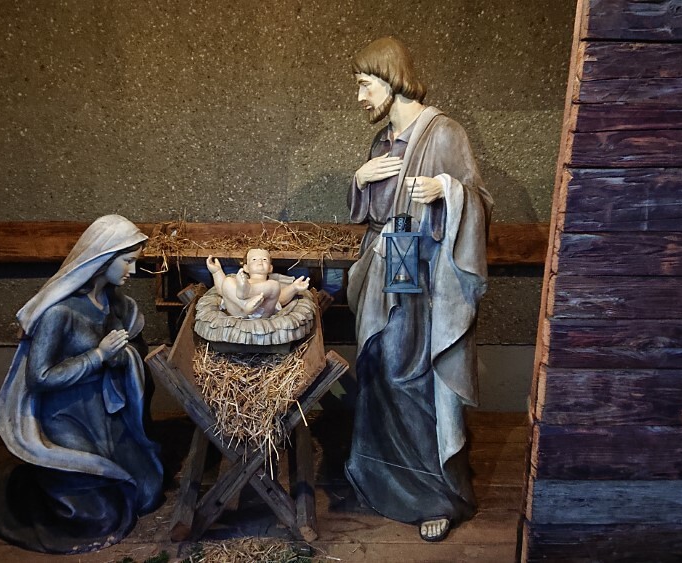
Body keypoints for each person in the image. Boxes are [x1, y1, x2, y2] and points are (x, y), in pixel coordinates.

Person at [343, 37, 494, 543]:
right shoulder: (381, 142)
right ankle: (382, 477)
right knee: (377, 371)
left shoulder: (444, 133)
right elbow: (369, 215)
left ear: (390, 79)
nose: (360, 97)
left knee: (414, 377)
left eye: (365, 84)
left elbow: (479, 201)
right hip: (383, 275)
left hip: (426, 284)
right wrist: (360, 179)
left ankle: (433, 495)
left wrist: (445, 191)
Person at [0, 215, 164, 554]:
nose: (132, 270)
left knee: (147, 492)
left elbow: (130, 352)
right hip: (66, 417)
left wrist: (124, 357)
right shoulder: (59, 313)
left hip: (103, 415)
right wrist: (98, 356)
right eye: (127, 261)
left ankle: (55, 479)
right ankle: (13, 488)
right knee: (103, 516)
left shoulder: (116, 304)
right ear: (103, 259)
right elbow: (39, 378)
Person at [206, 248, 310, 318]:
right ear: (246, 267)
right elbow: (222, 291)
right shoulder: (241, 281)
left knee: (275, 285)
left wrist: (294, 288)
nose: (260, 262)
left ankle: (248, 291)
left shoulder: (269, 283)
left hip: (262, 313)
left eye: (264, 259)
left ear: (270, 268)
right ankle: (245, 303)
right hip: (238, 311)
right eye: (254, 259)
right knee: (227, 281)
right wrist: (217, 272)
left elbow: (281, 299)